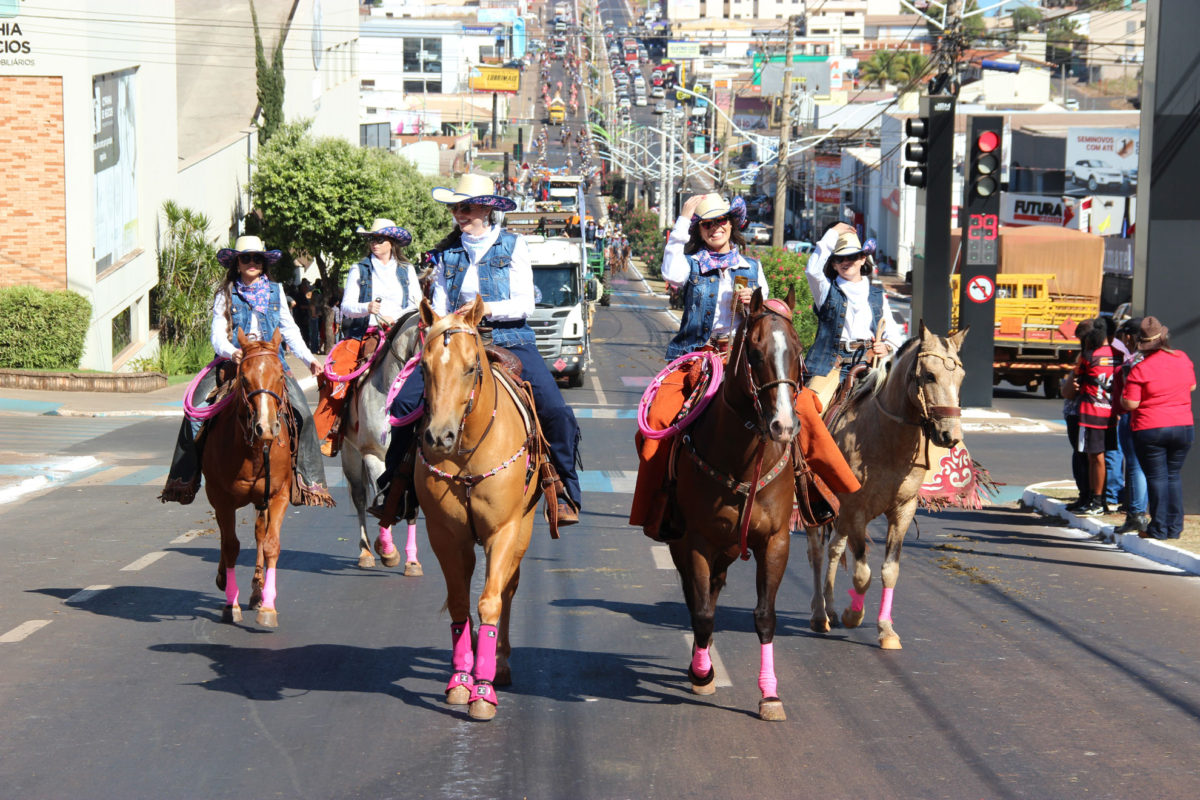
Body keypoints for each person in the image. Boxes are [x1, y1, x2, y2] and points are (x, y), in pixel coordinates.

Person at [628, 193, 860, 538]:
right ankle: (659, 504)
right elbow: (669, 270)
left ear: (732, 224)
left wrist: (757, 304)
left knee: (802, 409)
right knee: (658, 417)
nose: (715, 228)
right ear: (700, 229)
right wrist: (685, 215)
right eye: (707, 224)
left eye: (721, 221)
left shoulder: (752, 268)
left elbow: (768, 320)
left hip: (746, 356)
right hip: (697, 356)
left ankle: (816, 489)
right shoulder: (690, 263)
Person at [373, 173, 582, 526]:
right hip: (454, 341)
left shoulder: (514, 245)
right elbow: (438, 303)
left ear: (487, 209)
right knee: (405, 404)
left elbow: (524, 304)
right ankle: (397, 487)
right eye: (456, 207)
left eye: (466, 207)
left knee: (556, 410)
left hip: (509, 339)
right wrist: (449, 322)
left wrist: (481, 312)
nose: (459, 213)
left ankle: (562, 490)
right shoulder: (445, 253)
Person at [161, 236, 334, 507]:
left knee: (303, 415)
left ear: (263, 264)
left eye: (257, 258)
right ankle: (184, 479)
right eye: (246, 258)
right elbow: (217, 334)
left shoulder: (277, 291)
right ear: (237, 263)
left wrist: (309, 358)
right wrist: (232, 352)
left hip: (271, 364)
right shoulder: (225, 293)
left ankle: (307, 482)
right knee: (193, 411)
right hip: (233, 362)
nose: (252, 263)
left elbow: (289, 330)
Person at [314, 219, 421, 457]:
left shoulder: (407, 269)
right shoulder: (359, 269)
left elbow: (417, 302)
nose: (374, 243)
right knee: (342, 373)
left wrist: (400, 318)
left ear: (391, 242)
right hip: (369, 332)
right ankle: (336, 428)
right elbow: (348, 306)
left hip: (403, 329)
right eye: (372, 239)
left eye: (379, 239)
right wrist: (368, 307)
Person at [804, 222, 906, 410]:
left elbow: (894, 336)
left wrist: (887, 348)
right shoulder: (825, 290)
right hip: (830, 366)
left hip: (870, 365)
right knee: (807, 411)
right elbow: (812, 271)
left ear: (862, 259)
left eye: (851, 256)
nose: (846, 262)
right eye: (839, 258)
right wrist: (832, 232)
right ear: (833, 264)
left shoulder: (877, 296)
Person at [1121, 316, 1195, 540]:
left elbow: (1131, 403)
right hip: (1183, 425)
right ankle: (1174, 527)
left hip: (1151, 427)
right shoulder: (1182, 358)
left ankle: (1159, 527)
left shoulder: (1140, 368)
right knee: (1173, 476)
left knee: (1157, 477)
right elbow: (1192, 385)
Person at [1069, 319, 1118, 516]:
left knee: (1093, 457)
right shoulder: (1119, 355)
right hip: (1111, 413)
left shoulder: (1089, 356)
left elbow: (1076, 377)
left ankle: (1096, 500)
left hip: (1091, 413)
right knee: (1103, 457)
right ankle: (1098, 498)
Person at [1111, 318, 1149, 534]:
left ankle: (1136, 513)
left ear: (1129, 337)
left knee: (1135, 466)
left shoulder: (1131, 363)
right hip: (1156, 417)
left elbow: (1125, 397)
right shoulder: (1161, 359)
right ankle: (1141, 510)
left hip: (1132, 415)